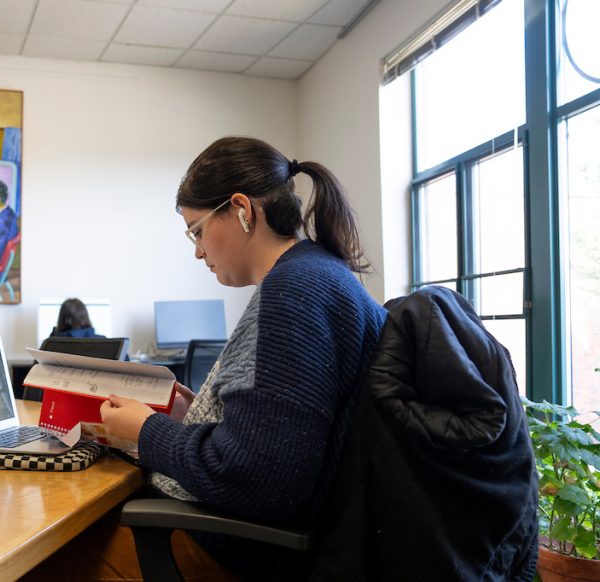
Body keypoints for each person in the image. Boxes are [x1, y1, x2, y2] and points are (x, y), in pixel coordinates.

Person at [25, 137, 388, 581]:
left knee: (43, 557)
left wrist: (148, 431)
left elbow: (259, 478)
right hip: (272, 537)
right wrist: (190, 420)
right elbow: (280, 435)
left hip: (245, 552)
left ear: (241, 209)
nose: (197, 250)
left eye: (197, 231)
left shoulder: (293, 293)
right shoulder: (319, 274)